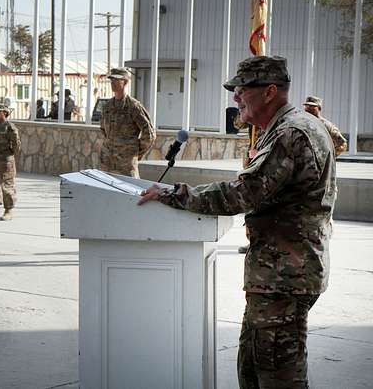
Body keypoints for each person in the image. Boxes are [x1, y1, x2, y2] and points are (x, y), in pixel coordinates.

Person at [138, 56, 336, 389]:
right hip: (280, 274)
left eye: (242, 89)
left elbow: (242, 194)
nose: (235, 97)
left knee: (276, 376)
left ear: (270, 91)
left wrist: (174, 194)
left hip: (284, 278)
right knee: (255, 368)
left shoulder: (291, 134)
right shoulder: (288, 128)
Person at [99, 67, 155, 178]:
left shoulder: (133, 106)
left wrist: (135, 152)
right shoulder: (108, 106)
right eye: (111, 80)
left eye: (116, 80)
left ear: (124, 82)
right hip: (108, 163)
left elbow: (149, 134)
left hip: (126, 165)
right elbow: (103, 130)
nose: (112, 83)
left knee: (130, 192)